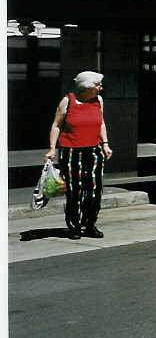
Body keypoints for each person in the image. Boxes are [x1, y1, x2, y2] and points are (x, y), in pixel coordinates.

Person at [45, 71, 113, 239]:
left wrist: (105, 144)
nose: (101, 88)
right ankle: (74, 226)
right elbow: (56, 125)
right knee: (75, 190)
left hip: (94, 150)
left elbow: (101, 123)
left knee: (95, 190)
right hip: (71, 151)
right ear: (87, 87)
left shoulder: (99, 101)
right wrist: (52, 148)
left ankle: (90, 225)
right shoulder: (68, 101)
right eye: (98, 85)